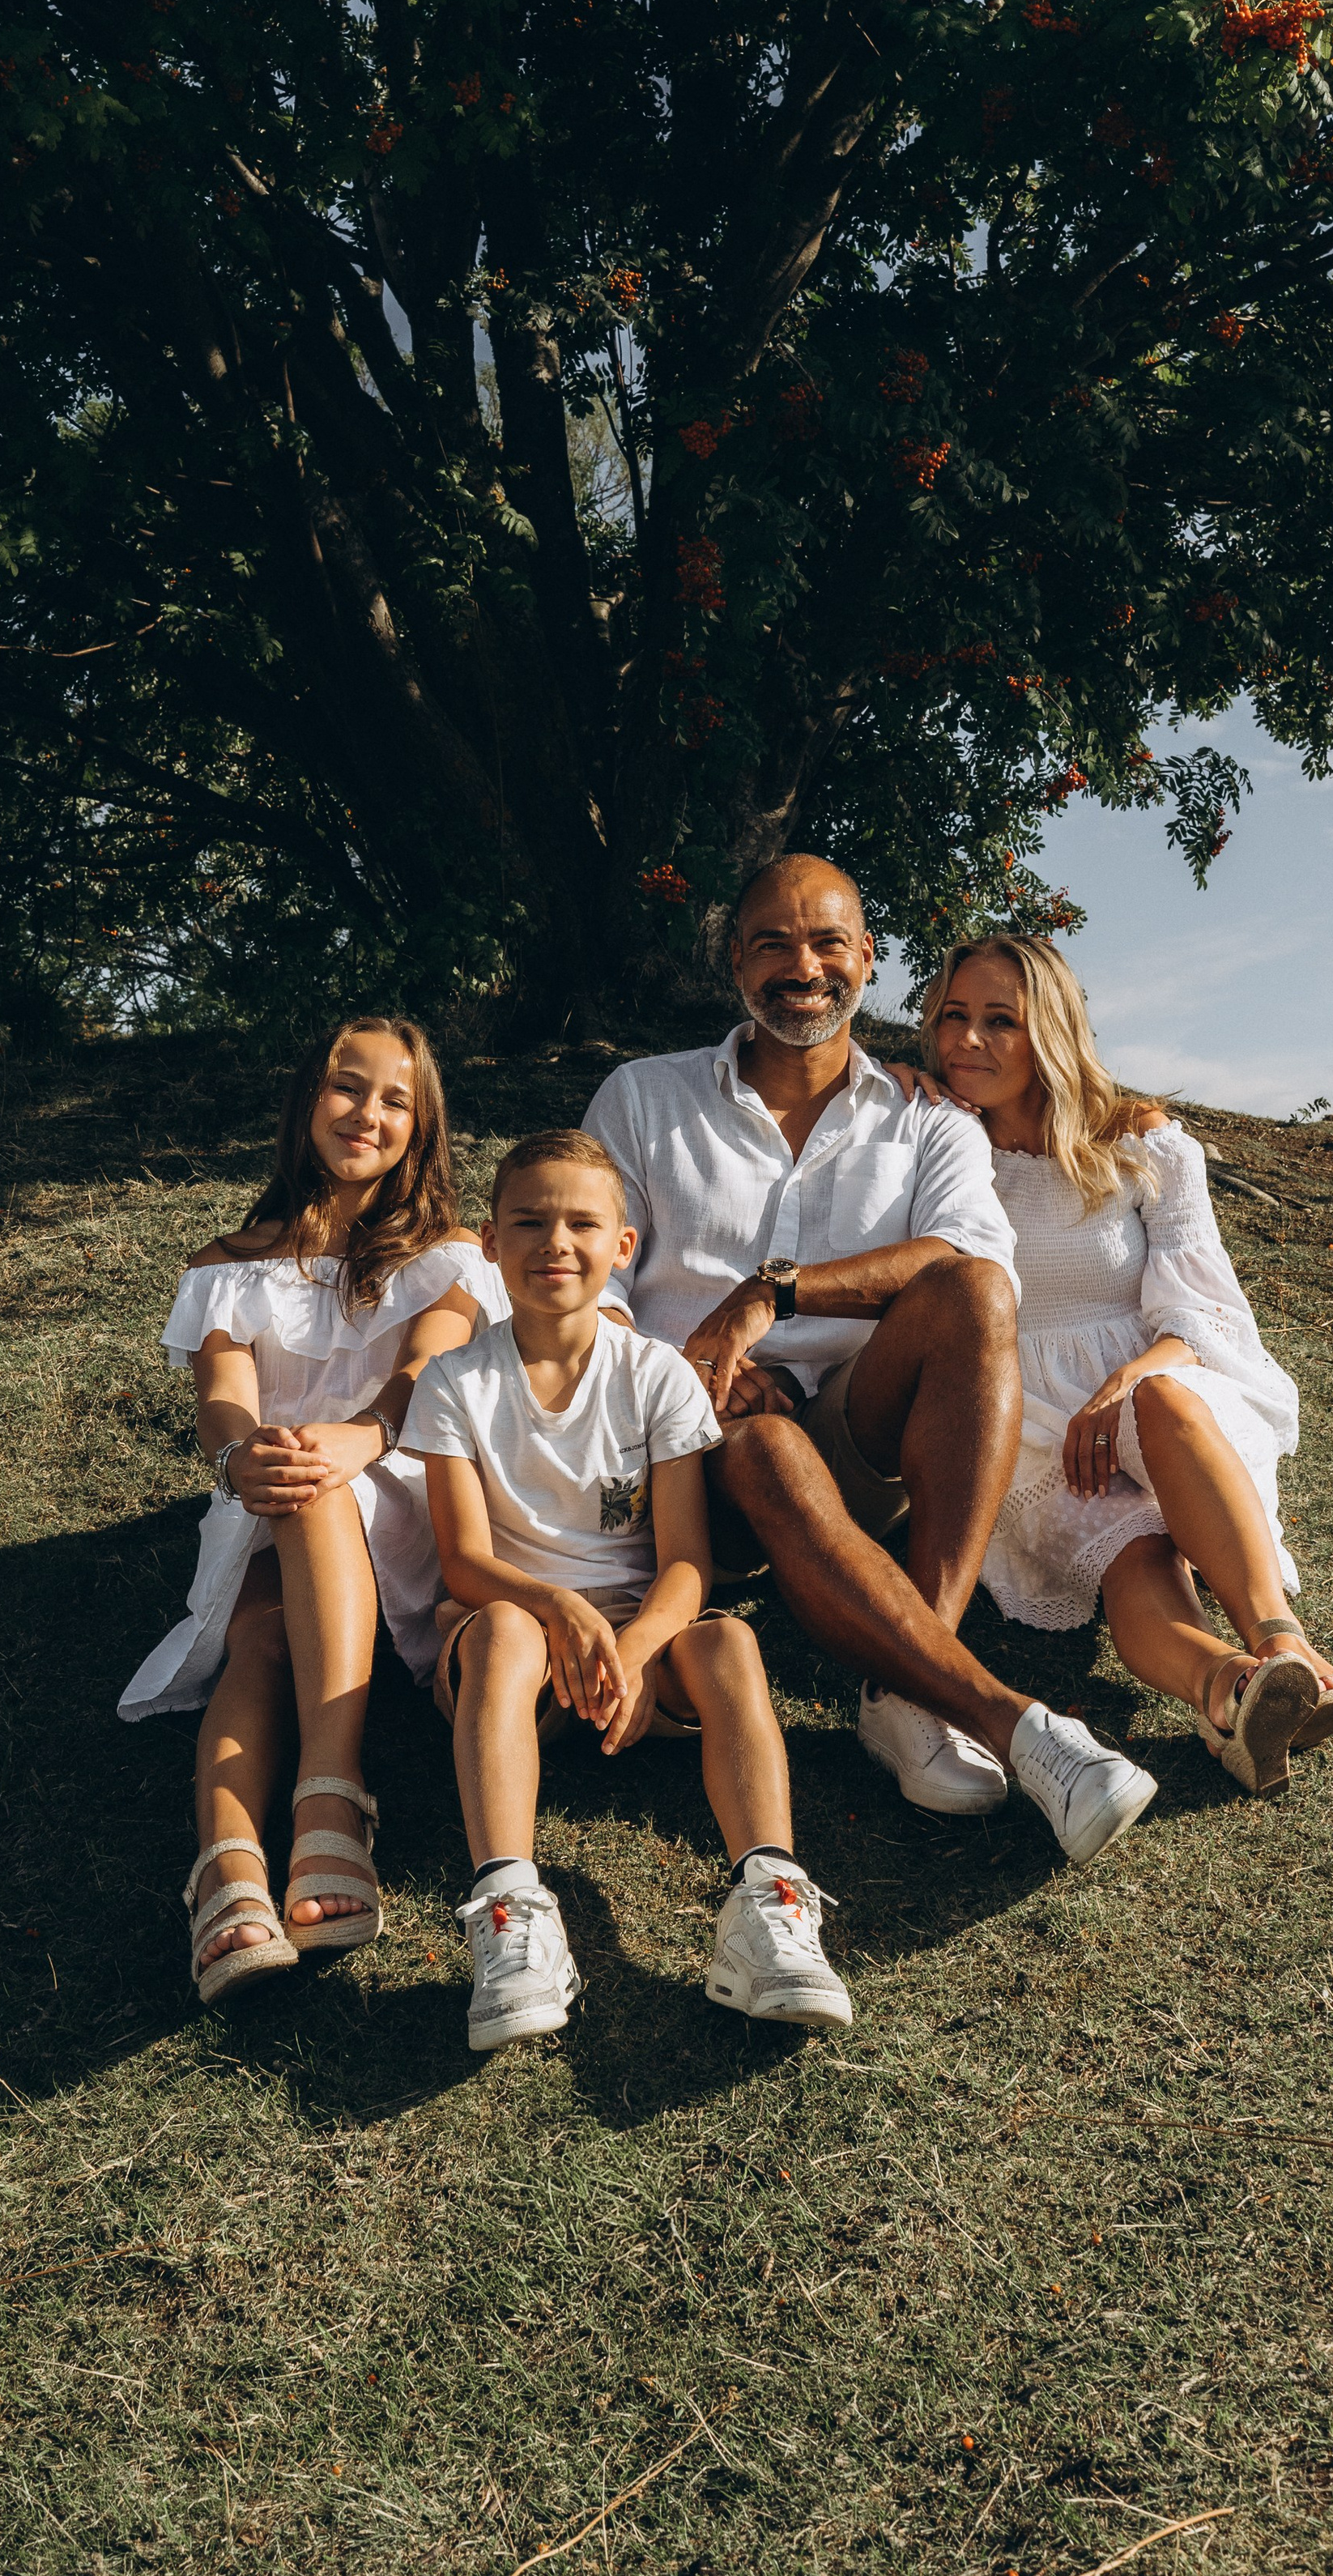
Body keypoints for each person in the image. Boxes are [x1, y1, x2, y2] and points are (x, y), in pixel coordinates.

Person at [581, 854, 1158, 1867]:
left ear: (867, 958)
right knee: (759, 1445)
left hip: (863, 1440)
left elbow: (970, 1260)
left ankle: (903, 1698)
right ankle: (1006, 1719)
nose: (801, 967)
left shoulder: (926, 1115)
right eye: (772, 944)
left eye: (826, 942)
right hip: (687, 1451)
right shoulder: (642, 1097)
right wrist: (688, 1367)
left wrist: (773, 1293)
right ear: (734, 962)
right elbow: (589, 1286)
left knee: (974, 1294)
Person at [405, 1128, 852, 2049]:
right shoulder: (454, 1381)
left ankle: (770, 1908)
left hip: (635, 1654)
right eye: (527, 1222)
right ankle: (511, 1911)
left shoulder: (654, 1374)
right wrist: (560, 1608)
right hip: (513, 1647)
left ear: (623, 1247)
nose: (553, 1244)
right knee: (501, 1632)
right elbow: (461, 1562)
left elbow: (685, 1559)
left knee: (728, 1640)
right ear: (489, 1243)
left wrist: (639, 1645)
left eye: (580, 1223)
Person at [920, 935, 1333, 1793]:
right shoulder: (938, 1141)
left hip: (1154, 1380)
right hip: (1026, 1417)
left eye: (998, 1022)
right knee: (1135, 1553)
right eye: (953, 1017)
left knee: (1161, 1399)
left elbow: (1199, 1310)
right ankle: (1231, 1692)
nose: (966, 1041)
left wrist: (1121, 1381)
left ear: (1048, 1030)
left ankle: (1281, 1642)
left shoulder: (1139, 1140)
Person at [119, 1017, 505, 2003]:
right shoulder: (228, 1262)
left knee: (315, 1480)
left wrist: (357, 1437)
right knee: (259, 1636)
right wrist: (242, 1453)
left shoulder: (448, 1255)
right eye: (345, 1087)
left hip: (401, 1482)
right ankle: (232, 1864)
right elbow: (222, 1396)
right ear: (304, 1101)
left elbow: (425, 1370)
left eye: (393, 1101)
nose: (365, 1113)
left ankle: (329, 1791)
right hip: (266, 1497)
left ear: (421, 1131)